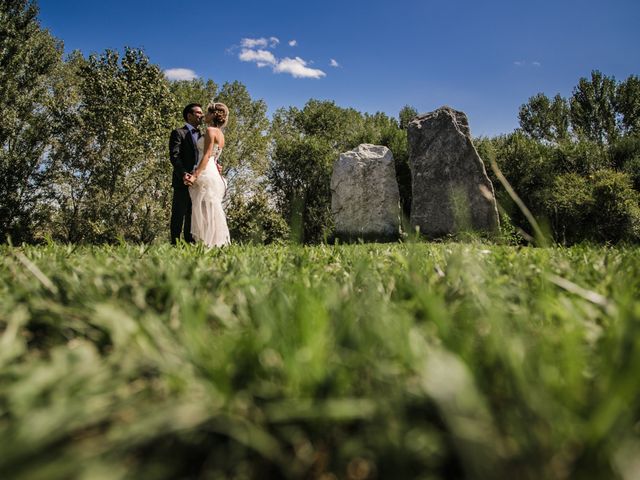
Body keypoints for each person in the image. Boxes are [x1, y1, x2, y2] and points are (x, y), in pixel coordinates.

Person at [188, 102, 231, 247]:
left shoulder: (210, 131)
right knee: (212, 208)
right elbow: (215, 157)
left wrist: (195, 175)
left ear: (213, 115)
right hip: (214, 172)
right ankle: (215, 243)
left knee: (203, 209)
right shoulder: (221, 135)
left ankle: (207, 243)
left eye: (206, 113)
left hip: (206, 170)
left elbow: (206, 156)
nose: (204, 116)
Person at [168, 103, 203, 244]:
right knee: (178, 213)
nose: (201, 115)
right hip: (182, 180)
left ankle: (190, 243)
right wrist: (183, 174)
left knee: (192, 214)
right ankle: (175, 244)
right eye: (198, 113)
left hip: (199, 180)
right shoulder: (178, 133)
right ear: (189, 115)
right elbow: (174, 156)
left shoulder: (202, 135)